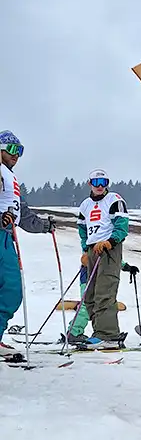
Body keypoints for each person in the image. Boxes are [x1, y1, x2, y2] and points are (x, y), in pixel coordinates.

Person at [0, 131, 55, 348]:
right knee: (11, 290)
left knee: (10, 291)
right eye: (12, 149)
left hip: (6, 237)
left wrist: (44, 226)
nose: (16, 155)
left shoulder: (10, 177)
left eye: (20, 150)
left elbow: (22, 214)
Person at [77, 169, 129, 348]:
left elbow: (122, 225)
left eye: (103, 182)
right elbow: (82, 229)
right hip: (93, 248)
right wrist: (85, 249)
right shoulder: (85, 205)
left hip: (108, 248)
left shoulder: (114, 200)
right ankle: (99, 330)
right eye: (96, 182)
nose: (100, 186)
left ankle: (108, 334)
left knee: (104, 290)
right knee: (90, 293)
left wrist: (111, 241)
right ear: (90, 183)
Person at [65, 258, 139, 346]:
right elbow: (90, 256)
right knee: (86, 305)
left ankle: (79, 332)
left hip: (100, 277)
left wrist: (126, 266)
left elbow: (111, 257)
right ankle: (73, 332)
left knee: (97, 305)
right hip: (90, 276)